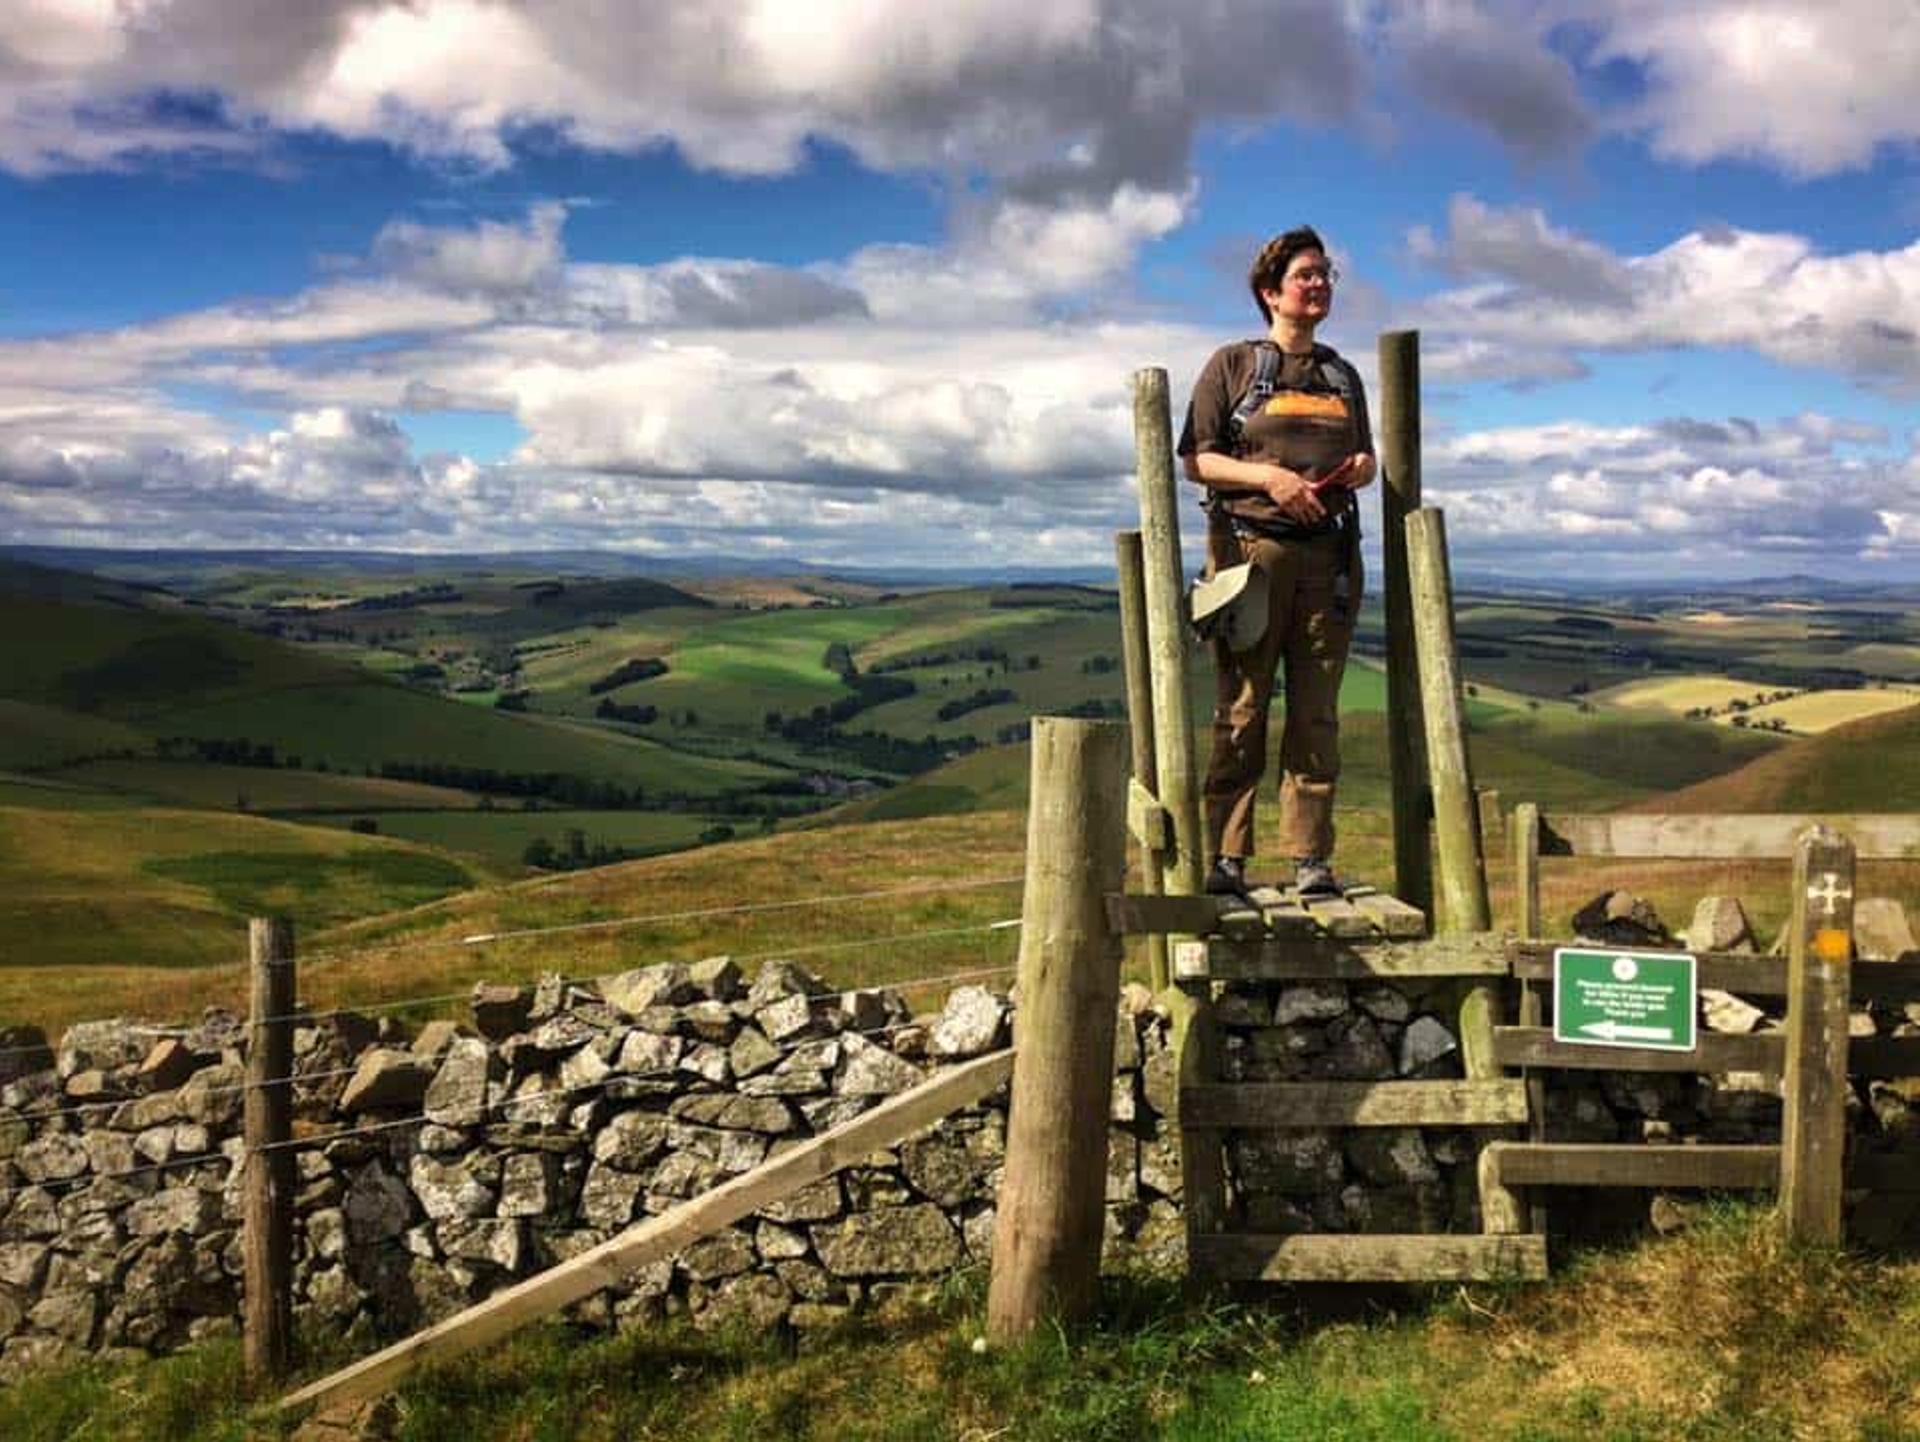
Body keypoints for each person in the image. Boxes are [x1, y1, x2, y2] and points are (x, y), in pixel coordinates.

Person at [1176, 225, 1375, 898]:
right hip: (1249, 556)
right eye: (1305, 275)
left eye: (1326, 275)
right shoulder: (1235, 365)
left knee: (1316, 711)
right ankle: (1228, 859)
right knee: (1242, 707)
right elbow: (1196, 459)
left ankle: (1310, 860)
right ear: (1270, 292)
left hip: (1329, 559)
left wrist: (1363, 468)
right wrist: (1271, 480)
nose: (1319, 285)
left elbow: (1368, 458)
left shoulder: (1342, 374)